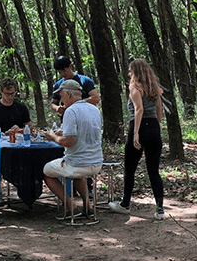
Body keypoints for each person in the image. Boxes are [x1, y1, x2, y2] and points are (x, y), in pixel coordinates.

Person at [109, 59, 165, 220]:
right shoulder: (155, 89)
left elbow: (138, 109)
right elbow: (159, 112)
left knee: (130, 168)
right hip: (154, 127)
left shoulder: (134, 87)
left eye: (130, 71)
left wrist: (136, 133)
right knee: (153, 170)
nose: (128, 73)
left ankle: (125, 203)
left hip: (139, 127)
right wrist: (155, 124)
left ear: (136, 72)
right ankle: (160, 209)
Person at [42, 80, 103, 215]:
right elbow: (84, 131)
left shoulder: (71, 111)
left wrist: (53, 137)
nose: (61, 101)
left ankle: (71, 206)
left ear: (68, 94)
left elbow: (68, 142)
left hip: (78, 163)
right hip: (96, 162)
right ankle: (88, 207)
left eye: (62, 97)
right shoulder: (94, 109)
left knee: (47, 172)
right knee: (77, 174)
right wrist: (62, 133)